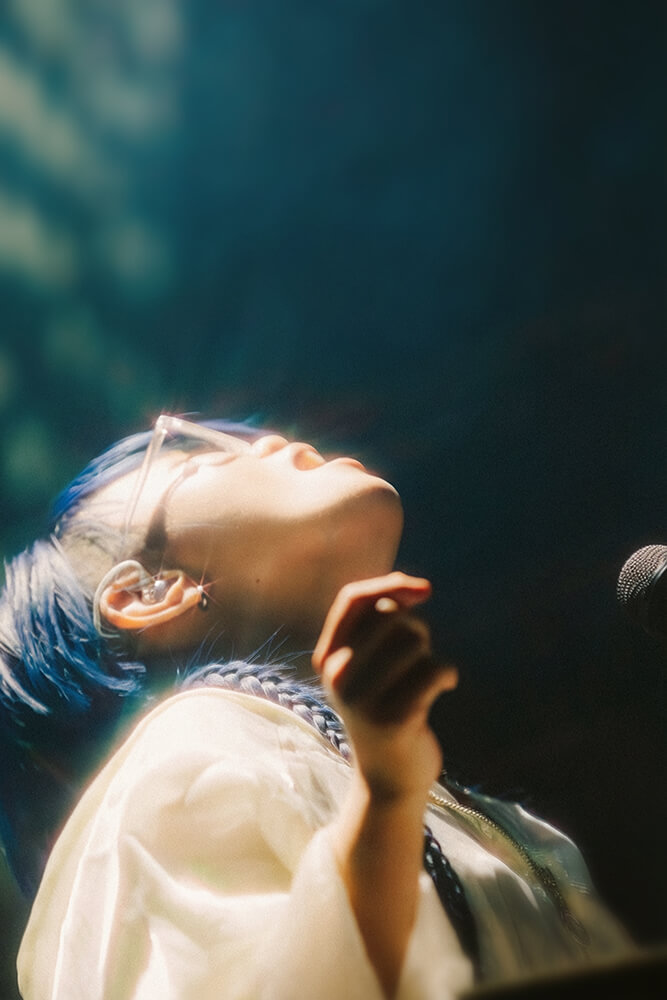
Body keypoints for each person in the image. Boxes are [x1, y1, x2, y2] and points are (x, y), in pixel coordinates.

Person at [1, 414, 630, 999]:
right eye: (199, 459)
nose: (271, 442)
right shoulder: (173, 763)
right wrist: (385, 800)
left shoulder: (470, 811)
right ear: (149, 592)